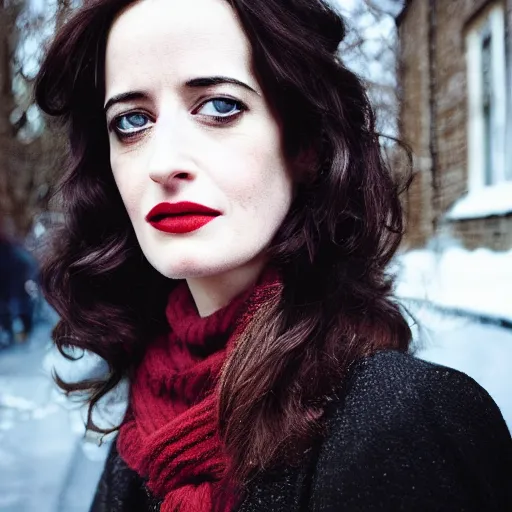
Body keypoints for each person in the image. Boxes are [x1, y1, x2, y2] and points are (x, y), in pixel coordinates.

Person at [34, 0, 512, 510]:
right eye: (131, 121)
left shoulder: (406, 422)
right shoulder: (151, 402)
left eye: (219, 106)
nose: (163, 162)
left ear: (304, 144)